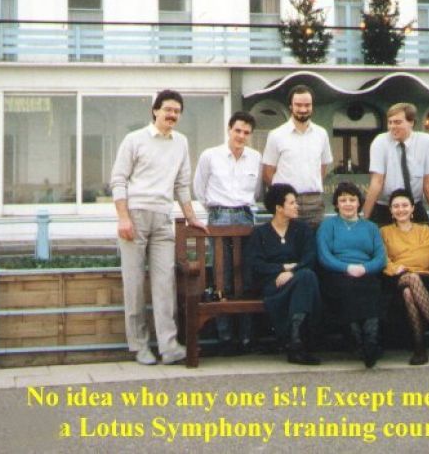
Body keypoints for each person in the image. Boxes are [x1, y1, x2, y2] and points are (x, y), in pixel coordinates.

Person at [110, 89, 207, 366]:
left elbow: (182, 184)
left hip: (164, 218)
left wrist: (191, 217)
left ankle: (169, 346)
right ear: (155, 110)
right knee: (134, 283)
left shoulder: (181, 143)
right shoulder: (134, 140)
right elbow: (118, 180)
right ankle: (139, 346)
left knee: (165, 284)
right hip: (135, 216)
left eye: (177, 111)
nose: (172, 115)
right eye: (168, 110)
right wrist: (123, 217)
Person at [193, 110, 261, 355]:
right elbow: (199, 189)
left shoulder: (255, 158)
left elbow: (257, 191)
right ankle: (226, 338)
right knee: (223, 276)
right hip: (219, 216)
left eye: (246, 133)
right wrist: (216, 210)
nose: (241, 136)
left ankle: (245, 338)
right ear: (229, 130)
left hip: (245, 216)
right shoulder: (210, 156)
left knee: (245, 274)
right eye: (237, 131)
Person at [247, 184, 322, 365]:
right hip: (274, 285)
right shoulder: (260, 233)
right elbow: (255, 264)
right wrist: (282, 269)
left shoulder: (302, 229)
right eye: (292, 203)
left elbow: (310, 257)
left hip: (298, 280)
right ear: (279, 208)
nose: (297, 206)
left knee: (306, 277)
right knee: (306, 280)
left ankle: (294, 343)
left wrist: (292, 272)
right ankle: (298, 343)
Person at [380, 188, 429, 365]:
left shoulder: (424, 230)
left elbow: (424, 258)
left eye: (405, 205)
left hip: (426, 275)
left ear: (412, 208)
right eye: (396, 206)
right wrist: (395, 266)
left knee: (409, 292)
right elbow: (383, 259)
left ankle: (419, 347)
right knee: (409, 280)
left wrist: (401, 260)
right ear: (390, 210)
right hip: (395, 276)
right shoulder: (383, 232)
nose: (401, 209)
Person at [317, 182, 387, 368]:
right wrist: (346, 267)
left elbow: (381, 258)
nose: (348, 204)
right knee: (347, 287)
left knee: (372, 286)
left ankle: (370, 341)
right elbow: (324, 256)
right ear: (337, 204)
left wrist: (365, 268)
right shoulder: (328, 225)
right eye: (343, 200)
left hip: (366, 271)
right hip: (338, 272)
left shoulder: (370, 227)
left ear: (359, 203)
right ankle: (357, 341)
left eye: (352, 200)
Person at [262, 84, 333, 227]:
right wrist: (284, 196)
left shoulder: (321, 134)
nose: (303, 109)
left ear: (312, 106)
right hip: (286, 203)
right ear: (290, 106)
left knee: (312, 247)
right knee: (287, 247)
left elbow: (323, 168)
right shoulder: (276, 135)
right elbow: (268, 172)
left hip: (314, 203)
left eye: (307, 105)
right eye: (298, 105)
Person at [363, 102, 429, 227]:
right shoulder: (380, 142)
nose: (392, 126)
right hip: (385, 208)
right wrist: (364, 219)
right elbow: (377, 182)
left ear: (411, 122)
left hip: (414, 206)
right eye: (390, 122)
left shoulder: (426, 141)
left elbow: (428, 182)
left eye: (398, 122)